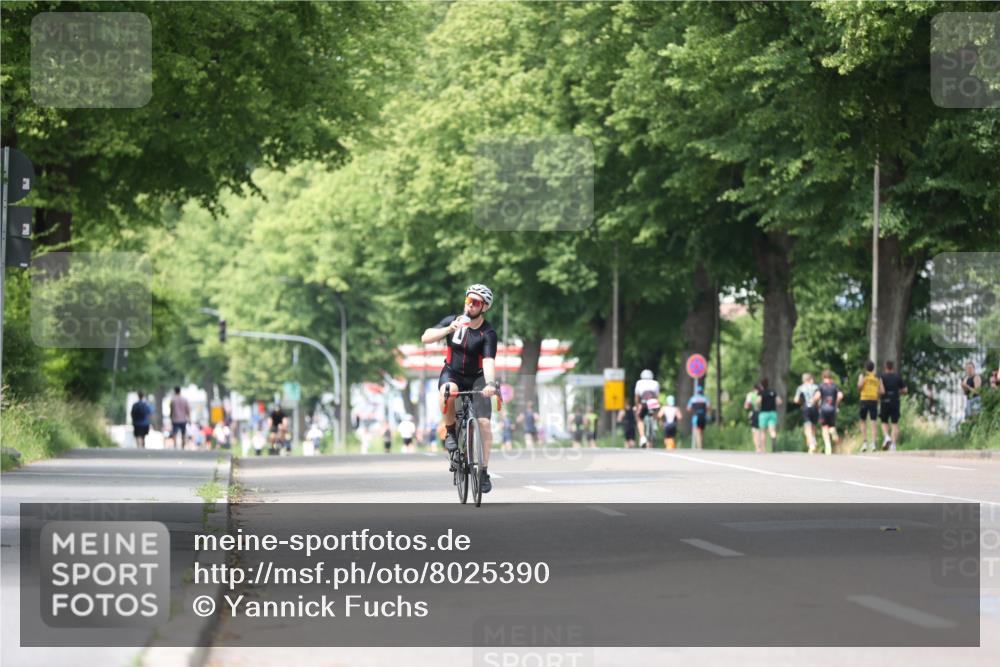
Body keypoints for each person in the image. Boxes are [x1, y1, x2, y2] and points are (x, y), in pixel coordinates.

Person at [420, 283, 499, 493]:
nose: (470, 306)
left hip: (478, 378)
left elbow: (489, 361)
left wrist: (490, 384)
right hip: (452, 373)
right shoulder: (453, 321)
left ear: (485, 307)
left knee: (484, 423)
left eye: (476, 303)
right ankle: (451, 432)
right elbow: (425, 337)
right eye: (468, 301)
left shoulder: (488, 333)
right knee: (448, 390)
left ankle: (483, 471)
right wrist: (448, 328)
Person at [879, 360, 908, 451]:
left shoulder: (882, 377)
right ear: (893, 367)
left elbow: (881, 390)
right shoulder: (897, 377)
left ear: (885, 367)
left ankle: (887, 437)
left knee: (884, 422)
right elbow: (905, 390)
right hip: (895, 401)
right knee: (895, 423)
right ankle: (893, 445)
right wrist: (897, 392)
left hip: (885, 401)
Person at [814, 371, 843, 455]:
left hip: (823, 409)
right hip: (832, 409)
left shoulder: (821, 386)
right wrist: (836, 403)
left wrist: (815, 402)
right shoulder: (834, 386)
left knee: (824, 427)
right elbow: (840, 395)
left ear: (823, 377)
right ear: (831, 377)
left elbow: (817, 396)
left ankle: (828, 446)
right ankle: (833, 432)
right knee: (831, 426)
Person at [856, 360, 880, 453]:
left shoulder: (863, 376)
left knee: (863, 421)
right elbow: (881, 391)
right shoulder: (877, 378)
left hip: (864, 399)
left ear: (865, 368)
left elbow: (859, 386)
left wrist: (861, 382)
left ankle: (865, 442)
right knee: (873, 421)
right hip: (874, 400)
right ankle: (873, 443)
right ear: (873, 368)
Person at [634, 369, 661, 448]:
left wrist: (637, 405)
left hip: (644, 403)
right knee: (655, 410)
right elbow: (657, 396)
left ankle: (642, 437)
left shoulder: (639, 383)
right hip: (653, 403)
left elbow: (637, 396)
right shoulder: (655, 383)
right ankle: (655, 422)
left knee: (639, 418)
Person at [794, 373, 819, 453]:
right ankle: (813, 443)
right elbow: (819, 397)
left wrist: (800, 402)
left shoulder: (801, 388)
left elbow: (796, 400)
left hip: (805, 408)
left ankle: (811, 444)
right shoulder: (816, 387)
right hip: (814, 407)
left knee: (807, 427)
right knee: (813, 426)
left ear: (803, 380)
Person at [757, 378, 782, 452]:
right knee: (772, 430)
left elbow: (758, 401)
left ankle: (763, 449)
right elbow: (779, 401)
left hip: (764, 413)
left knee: (763, 431)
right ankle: (773, 437)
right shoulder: (773, 392)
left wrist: (759, 405)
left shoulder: (761, 392)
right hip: (772, 413)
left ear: (762, 385)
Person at [686, 384, 709, 449]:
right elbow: (708, 407)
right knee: (701, 432)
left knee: (697, 431)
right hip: (703, 417)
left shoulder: (693, 399)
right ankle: (701, 445)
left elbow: (688, 408)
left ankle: (699, 446)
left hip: (696, 417)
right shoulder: (705, 398)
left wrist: (693, 410)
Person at [744, 384, 763, 453]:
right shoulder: (763, 394)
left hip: (755, 413)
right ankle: (762, 447)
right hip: (763, 413)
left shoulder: (750, 395)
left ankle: (757, 448)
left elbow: (746, 406)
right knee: (762, 431)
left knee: (755, 431)